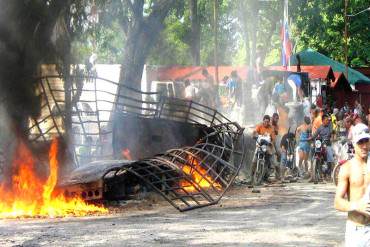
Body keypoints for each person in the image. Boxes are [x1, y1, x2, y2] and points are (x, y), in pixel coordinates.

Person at [334, 123, 370, 246]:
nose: (365, 146)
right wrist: (357, 206)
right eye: (361, 142)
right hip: (356, 231)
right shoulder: (347, 168)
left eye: (367, 141)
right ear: (354, 143)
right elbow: (337, 202)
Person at [252, 115, 280, 183]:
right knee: (254, 162)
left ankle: (279, 177)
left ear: (269, 122)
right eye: (265, 121)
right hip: (260, 146)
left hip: (269, 147)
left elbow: (273, 138)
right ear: (263, 121)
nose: (266, 123)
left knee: (275, 163)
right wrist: (254, 135)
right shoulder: (260, 126)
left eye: (268, 122)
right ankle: (251, 177)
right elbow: (255, 132)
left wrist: (271, 143)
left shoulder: (271, 128)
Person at [309, 113, 335, 180]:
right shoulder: (319, 128)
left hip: (327, 144)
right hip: (320, 145)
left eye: (328, 120)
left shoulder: (330, 126)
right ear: (323, 120)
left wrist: (332, 137)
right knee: (312, 149)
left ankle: (329, 173)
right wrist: (310, 138)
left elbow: (332, 132)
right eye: (326, 120)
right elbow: (314, 135)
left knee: (330, 157)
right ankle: (312, 172)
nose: (327, 121)